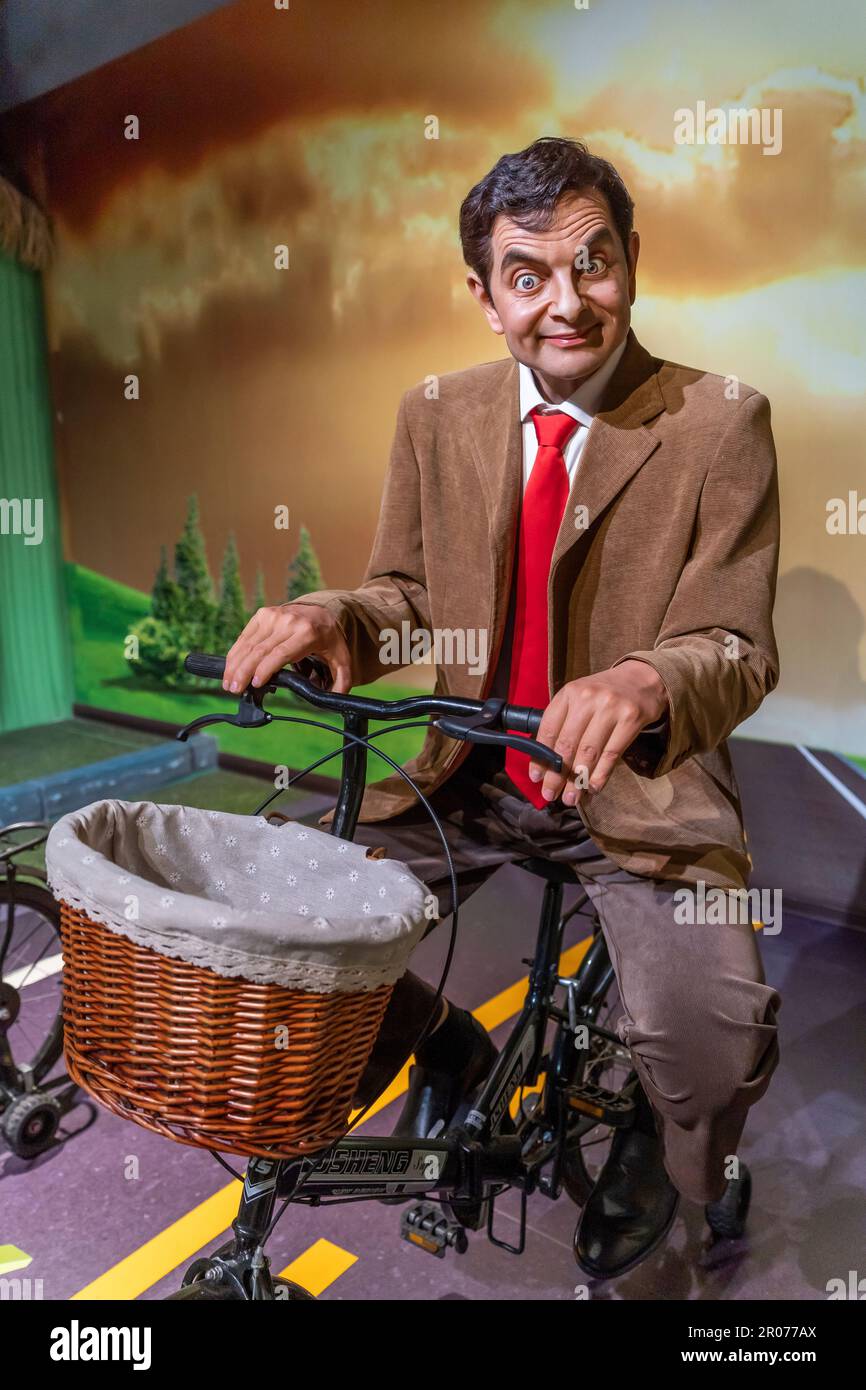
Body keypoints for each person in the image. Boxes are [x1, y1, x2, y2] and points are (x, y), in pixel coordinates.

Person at [222, 137, 782, 1279]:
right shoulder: (435, 415)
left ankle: (673, 1156)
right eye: (527, 275)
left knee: (708, 1046)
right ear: (482, 295)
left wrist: (646, 681)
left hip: (639, 795)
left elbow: (734, 645)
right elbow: (411, 597)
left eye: (594, 264)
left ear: (632, 261)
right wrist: (338, 617)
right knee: (273, 934)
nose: (566, 302)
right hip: (464, 778)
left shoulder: (719, 422)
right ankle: (447, 1044)